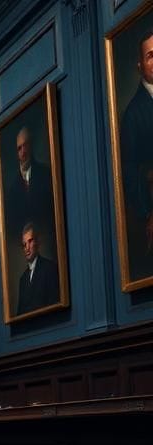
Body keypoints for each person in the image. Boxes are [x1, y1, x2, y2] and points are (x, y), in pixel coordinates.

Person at [119, 27, 153, 282]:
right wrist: (147, 213)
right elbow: (129, 173)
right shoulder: (133, 114)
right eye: (151, 56)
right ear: (140, 65)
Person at [5, 125, 54, 246]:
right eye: (19, 148)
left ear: (31, 146)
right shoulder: (12, 189)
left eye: (25, 145)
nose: (23, 151)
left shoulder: (45, 174)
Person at [16, 223, 60, 316]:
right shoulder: (22, 279)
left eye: (30, 241)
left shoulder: (50, 268)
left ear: (37, 242)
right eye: (24, 244)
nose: (27, 248)